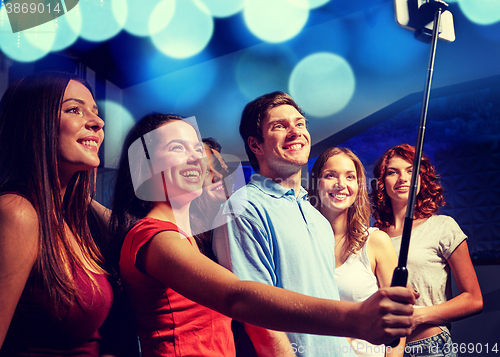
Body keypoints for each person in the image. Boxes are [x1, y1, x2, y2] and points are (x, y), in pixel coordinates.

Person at [108, 113, 415, 357]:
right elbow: (238, 297)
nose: (195, 159)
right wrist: (355, 317)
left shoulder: (188, 238)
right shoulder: (154, 237)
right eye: (177, 147)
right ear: (144, 166)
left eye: (195, 148)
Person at [211, 91, 413, 357]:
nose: (295, 132)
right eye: (279, 126)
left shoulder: (316, 217)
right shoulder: (244, 208)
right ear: (256, 145)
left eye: (300, 124)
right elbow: (259, 322)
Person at [0, 71, 112, 356]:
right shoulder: (18, 213)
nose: (97, 122)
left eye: (96, 113)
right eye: (74, 109)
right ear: (34, 123)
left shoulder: (68, 218)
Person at [370, 144, 483, 357]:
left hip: (430, 348)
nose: (402, 178)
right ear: (382, 182)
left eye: (411, 171)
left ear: (422, 178)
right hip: (383, 349)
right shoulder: (374, 235)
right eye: (393, 172)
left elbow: (474, 299)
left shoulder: (442, 226)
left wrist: (417, 316)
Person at [308, 147, 405, 357]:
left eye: (350, 177)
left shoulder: (375, 241)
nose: (341, 184)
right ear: (315, 184)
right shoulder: (303, 246)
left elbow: (398, 321)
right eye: (330, 175)